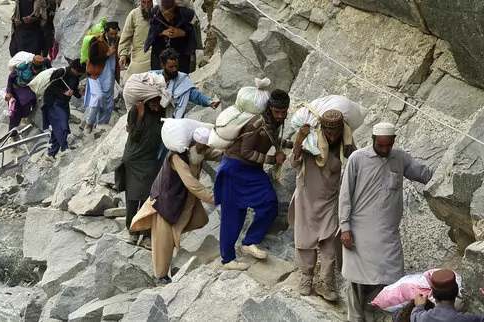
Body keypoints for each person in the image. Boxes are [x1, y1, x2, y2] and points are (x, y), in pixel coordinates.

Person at [339, 122, 434, 322]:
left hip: (388, 232)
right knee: (357, 278)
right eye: (380, 145)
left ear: (393, 141)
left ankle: (370, 307)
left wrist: (443, 179)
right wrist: (345, 227)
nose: (383, 150)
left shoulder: (399, 157)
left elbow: (423, 174)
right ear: (372, 140)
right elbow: (345, 195)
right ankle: (355, 317)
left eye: (387, 146)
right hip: (359, 229)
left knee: (391, 275)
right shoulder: (357, 159)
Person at [130, 127, 222, 285]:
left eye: (206, 147)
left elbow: (218, 154)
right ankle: (160, 276)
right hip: (165, 202)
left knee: (200, 219)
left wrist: (236, 152)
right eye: (202, 146)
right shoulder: (176, 157)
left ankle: (173, 234)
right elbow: (192, 184)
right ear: (193, 142)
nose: (204, 149)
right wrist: (216, 198)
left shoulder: (199, 152)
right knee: (163, 243)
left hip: (184, 200)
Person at [214, 89, 292, 271]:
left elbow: (271, 138)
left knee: (269, 202)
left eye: (284, 112)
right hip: (235, 168)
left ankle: (250, 241)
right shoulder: (256, 123)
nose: (281, 116)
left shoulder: (273, 122)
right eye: (277, 112)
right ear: (270, 108)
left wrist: (291, 144)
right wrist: (273, 160)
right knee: (233, 213)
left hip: (252, 169)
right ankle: (227, 259)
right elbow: (246, 152)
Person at [288, 109, 356, 301]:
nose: (333, 136)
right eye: (329, 133)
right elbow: (293, 162)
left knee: (328, 241)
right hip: (306, 196)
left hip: (330, 199)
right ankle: (306, 277)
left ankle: (326, 282)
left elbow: (356, 162)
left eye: (336, 133)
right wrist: (299, 140)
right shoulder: (310, 141)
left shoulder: (346, 142)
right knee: (304, 239)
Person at [119, 81, 173, 248]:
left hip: (151, 160)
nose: (156, 106)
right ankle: (132, 232)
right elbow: (134, 136)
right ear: (147, 101)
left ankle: (148, 235)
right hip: (134, 159)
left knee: (150, 198)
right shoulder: (136, 111)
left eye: (158, 102)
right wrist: (141, 115)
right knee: (133, 198)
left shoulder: (163, 113)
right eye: (153, 103)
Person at [42, 59, 85, 161]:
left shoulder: (76, 77)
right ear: (74, 68)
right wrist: (63, 93)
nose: (79, 74)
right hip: (53, 102)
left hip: (63, 103)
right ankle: (64, 148)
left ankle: (51, 153)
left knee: (58, 126)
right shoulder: (62, 72)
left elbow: (74, 91)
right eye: (79, 71)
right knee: (62, 123)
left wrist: (80, 93)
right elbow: (52, 86)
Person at [83, 21, 121, 133]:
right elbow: (92, 59)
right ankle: (89, 123)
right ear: (106, 32)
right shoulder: (97, 40)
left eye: (115, 33)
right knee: (97, 97)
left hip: (109, 75)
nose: (113, 36)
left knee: (108, 103)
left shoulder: (118, 40)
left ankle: (101, 126)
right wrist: (107, 55)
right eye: (111, 34)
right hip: (95, 74)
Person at [411, 269, 484, 321]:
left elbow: (414, 315)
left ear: (433, 294)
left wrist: (419, 306)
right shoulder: (468, 319)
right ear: (457, 291)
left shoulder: (422, 318)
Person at [144, 0, 196, 73]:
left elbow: (191, 31)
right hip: (160, 51)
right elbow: (153, 29)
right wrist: (163, 32)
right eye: (165, 16)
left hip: (180, 52)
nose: (168, 19)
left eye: (170, 16)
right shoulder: (156, 13)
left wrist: (182, 33)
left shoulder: (185, 14)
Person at [5, 55, 48, 141]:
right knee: (15, 114)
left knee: (27, 107)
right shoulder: (23, 68)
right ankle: (12, 134)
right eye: (35, 68)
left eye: (38, 68)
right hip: (16, 90)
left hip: (29, 93)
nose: (36, 70)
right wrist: (9, 92)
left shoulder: (43, 70)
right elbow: (11, 78)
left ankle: (24, 117)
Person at [118, 0, 153, 84]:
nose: (147, 6)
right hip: (139, 58)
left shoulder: (159, 13)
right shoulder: (134, 14)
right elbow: (126, 36)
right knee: (128, 83)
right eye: (144, 2)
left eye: (149, 2)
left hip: (156, 57)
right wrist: (123, 54)